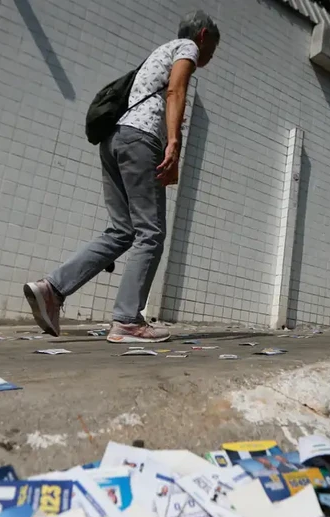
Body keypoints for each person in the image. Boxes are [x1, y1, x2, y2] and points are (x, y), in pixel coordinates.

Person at [24, 11, 220, 343]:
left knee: (122, 231)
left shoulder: (157, 55)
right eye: (213, 47)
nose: (211, 55)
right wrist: (174, 143)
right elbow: (176, 93)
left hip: (115, 140)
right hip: (141, 141)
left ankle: (52, 289)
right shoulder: (186, 47)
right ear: (203, 35)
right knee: (151, 233)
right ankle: (128, 320)